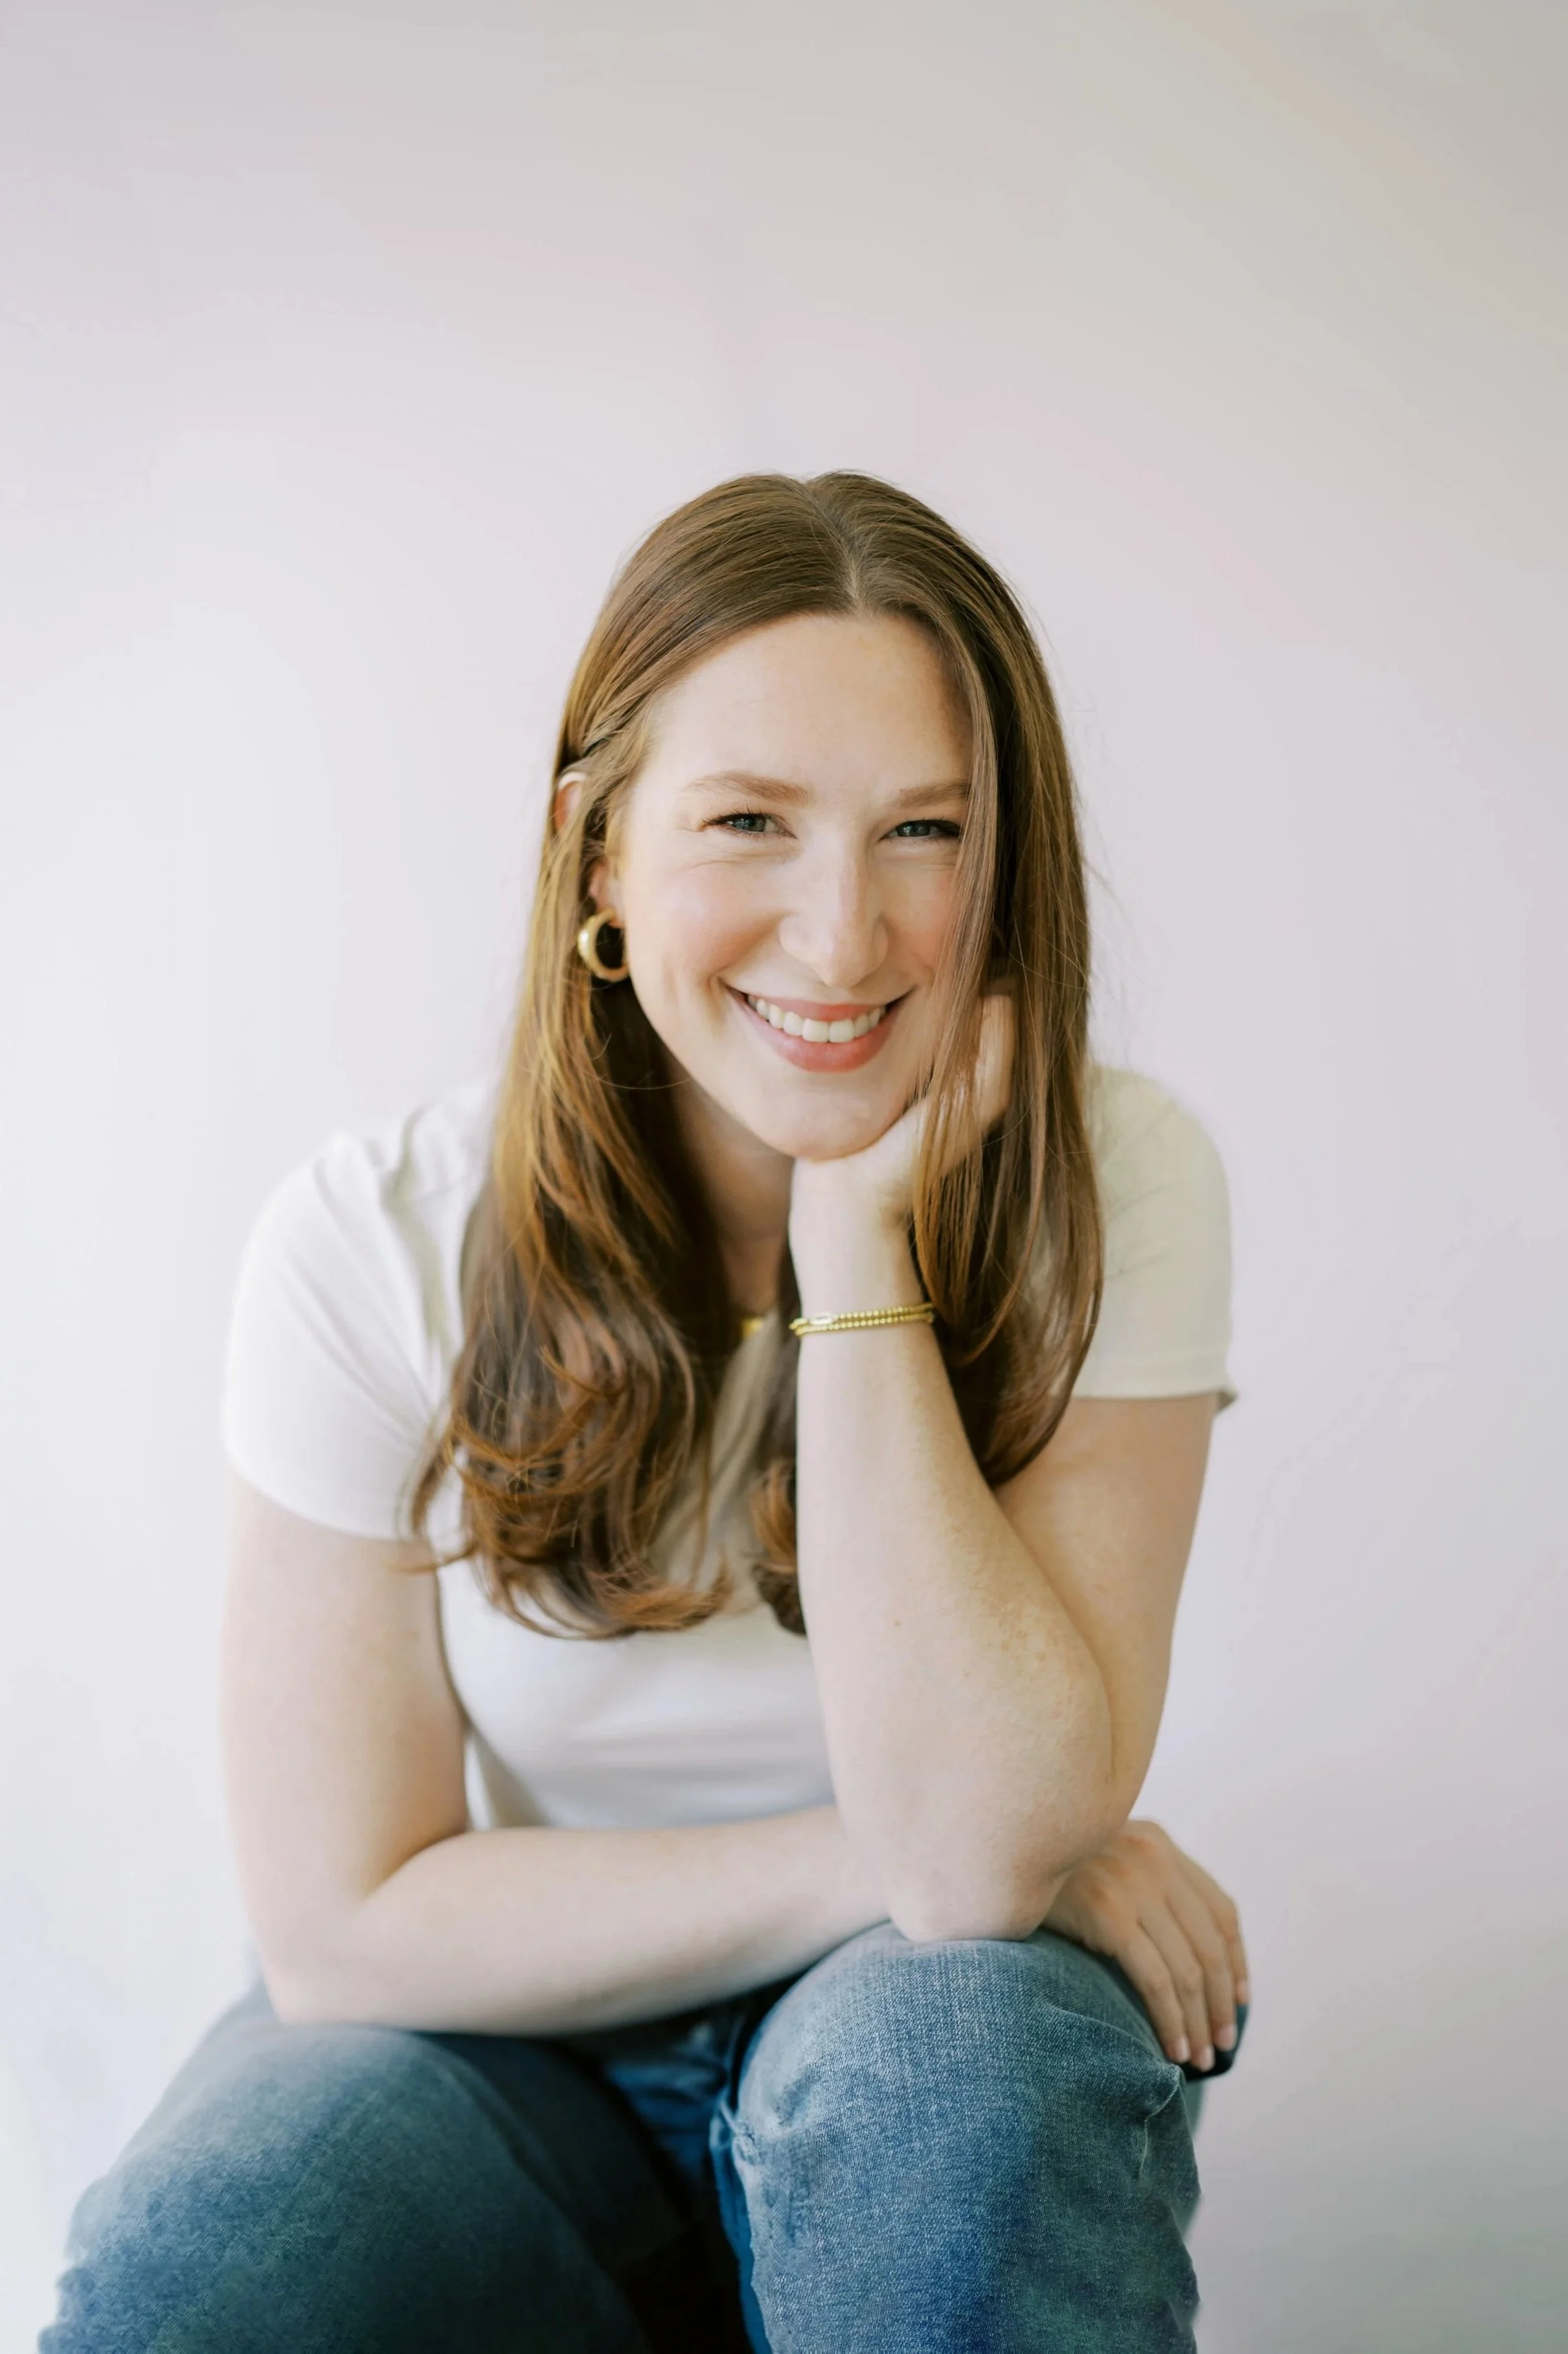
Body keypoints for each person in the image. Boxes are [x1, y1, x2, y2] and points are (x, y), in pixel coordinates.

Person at [42, 471, 1248, 2353]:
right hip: (499, 2039)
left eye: (926, 829)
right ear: (594, 854)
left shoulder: (1117, 1181)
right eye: (748, 821)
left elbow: (966, 1874)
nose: (841, 937)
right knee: (196, 2274)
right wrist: (948, 1854)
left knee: (967, 2101)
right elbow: (344, 1928)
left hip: (918, 2009)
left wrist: (855, 1237)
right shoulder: (377, 1240)